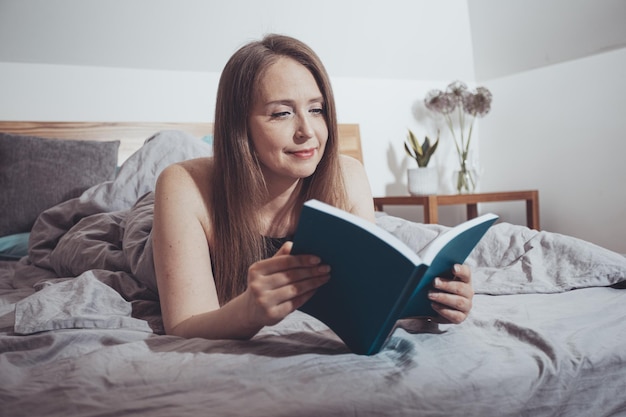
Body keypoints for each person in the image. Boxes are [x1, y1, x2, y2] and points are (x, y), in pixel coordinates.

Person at [151, 34, 474, 341]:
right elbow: (182, 325)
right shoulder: (183, 185)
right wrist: (250, 311)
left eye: (317, 109)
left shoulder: (346, 175)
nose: (307, 131)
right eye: (282, 113)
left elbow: (365, 297)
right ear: (239, 126)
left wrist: (431, 305)